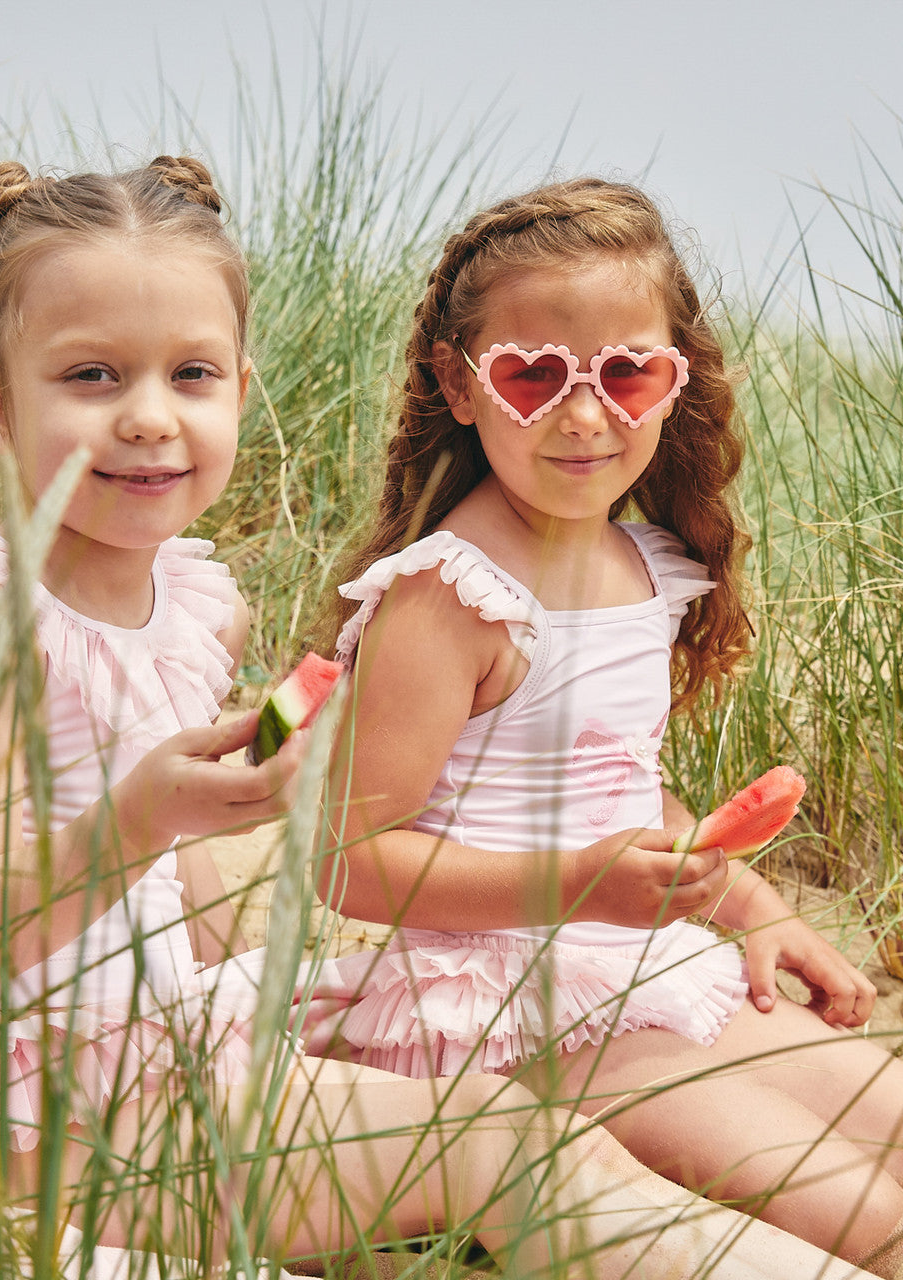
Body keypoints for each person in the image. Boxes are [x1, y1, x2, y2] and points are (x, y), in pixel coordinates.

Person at [0, 153, 868, 1280]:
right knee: (506, 1145)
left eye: (190, 374)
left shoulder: (199, 604)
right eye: (93, 376)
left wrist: (229, 831)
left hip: (166, 1059)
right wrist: (149, 815)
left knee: (517, 1142)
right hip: (19, 1117)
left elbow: (177, 901)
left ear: (240, 391)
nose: (150, 417)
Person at [308, 176, 903, 1277]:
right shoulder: (449, 595)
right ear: (460, 380)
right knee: (863, 1217)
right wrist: (577, 885)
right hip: (497, 1016)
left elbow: (619, 791)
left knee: (890, 1130)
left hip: (643, 967)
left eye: (628, 372)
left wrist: (754, 904)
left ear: (675, 377)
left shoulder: (645, 564)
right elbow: (344, 860)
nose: (585, 416)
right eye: (533, 376)